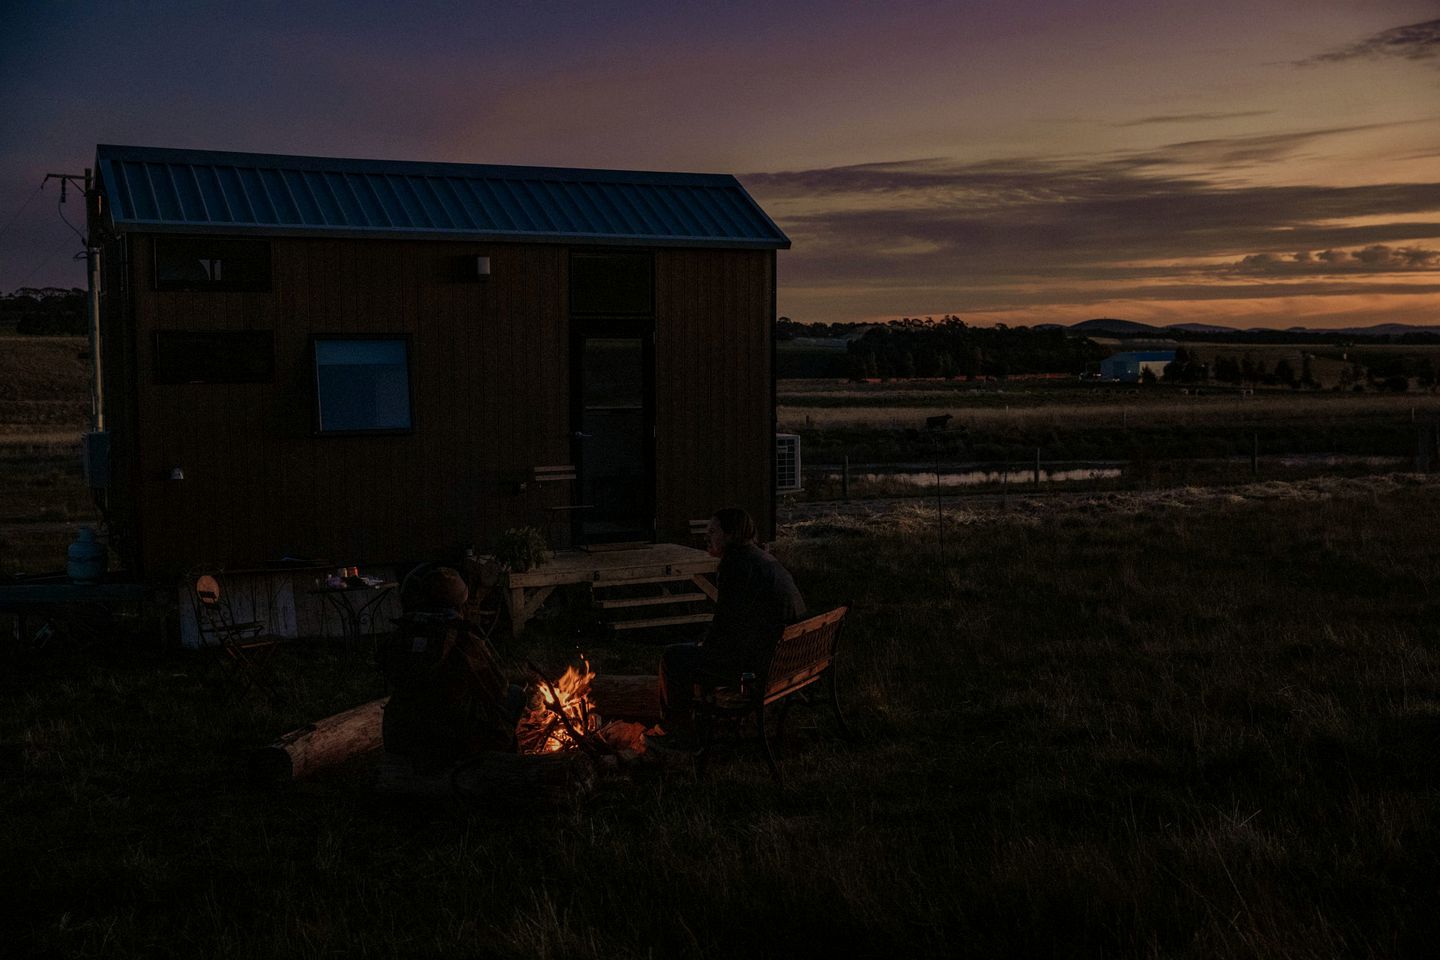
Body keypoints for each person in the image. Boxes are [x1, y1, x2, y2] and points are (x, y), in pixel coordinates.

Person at [646, 506, 806, 753]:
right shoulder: (760, 557)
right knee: (689, 651)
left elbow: (727, 621)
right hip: (781, 654)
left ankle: (680, 737)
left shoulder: (736, 565)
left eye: (712, 531)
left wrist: (706, 644)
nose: (706, 536)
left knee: (672, 659)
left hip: (755, 662)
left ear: (730, 535)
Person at [381, 566, 525, 771]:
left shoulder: (399, 636)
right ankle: (504, 768)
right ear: (459, 603)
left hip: (399, 736)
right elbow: (498, 690)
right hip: (449, 744)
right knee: (515, 695)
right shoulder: (463, 640)